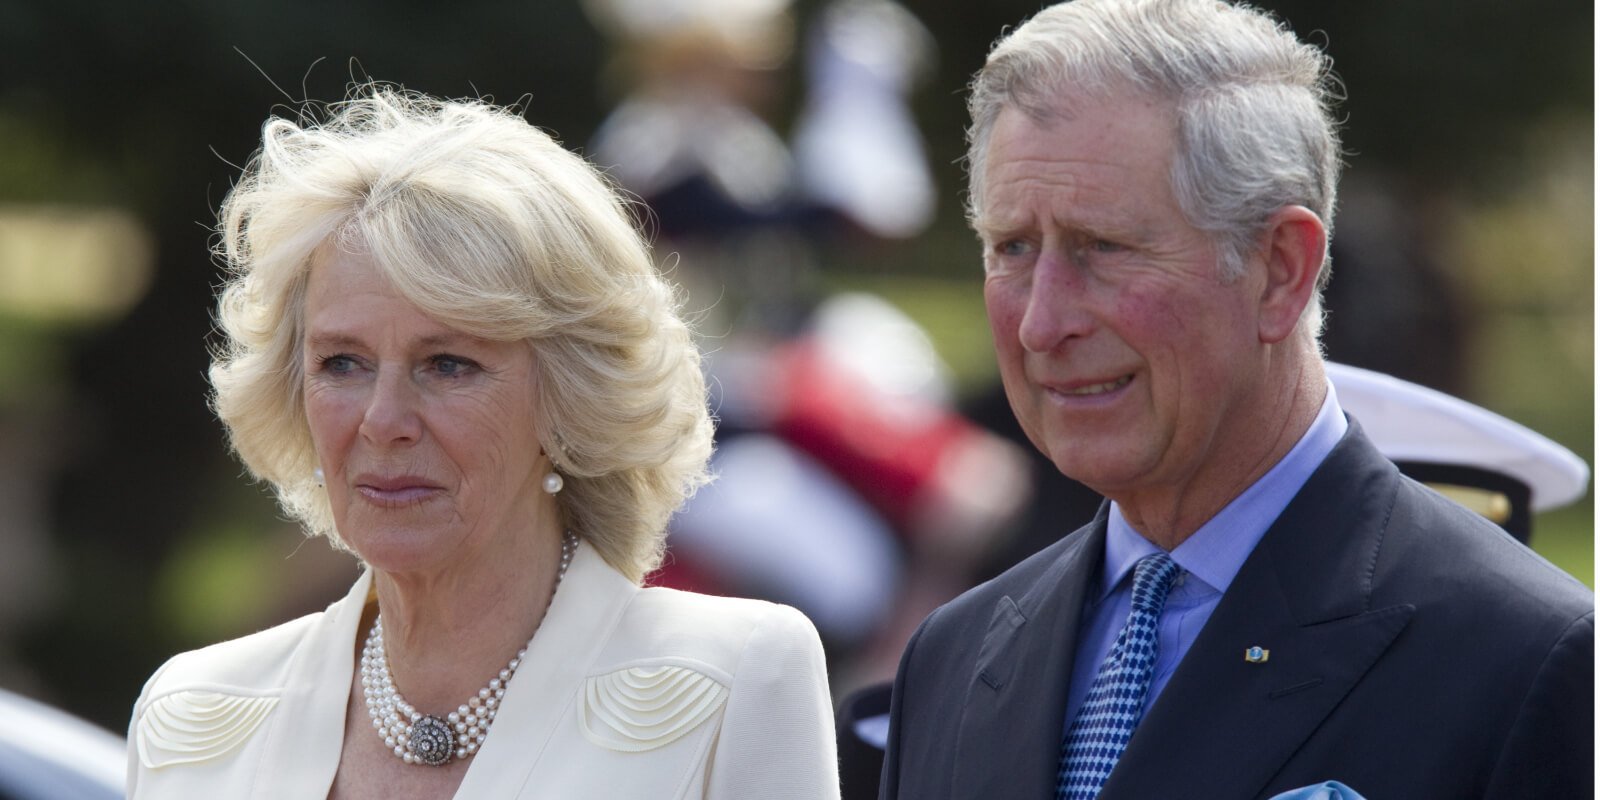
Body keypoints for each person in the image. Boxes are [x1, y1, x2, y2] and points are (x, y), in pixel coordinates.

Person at [878, 2, 1593, 799]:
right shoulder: (955, 655)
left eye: (1104, 248)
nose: (1043, 323)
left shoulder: (1523, 657)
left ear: (1281, 270)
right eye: (1013, 248)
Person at [125, 86, 839, 799]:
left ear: (569, 399)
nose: (383, 419)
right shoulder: (193, 719)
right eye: (343, 362)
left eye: (448, 364)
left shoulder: (732, 680)